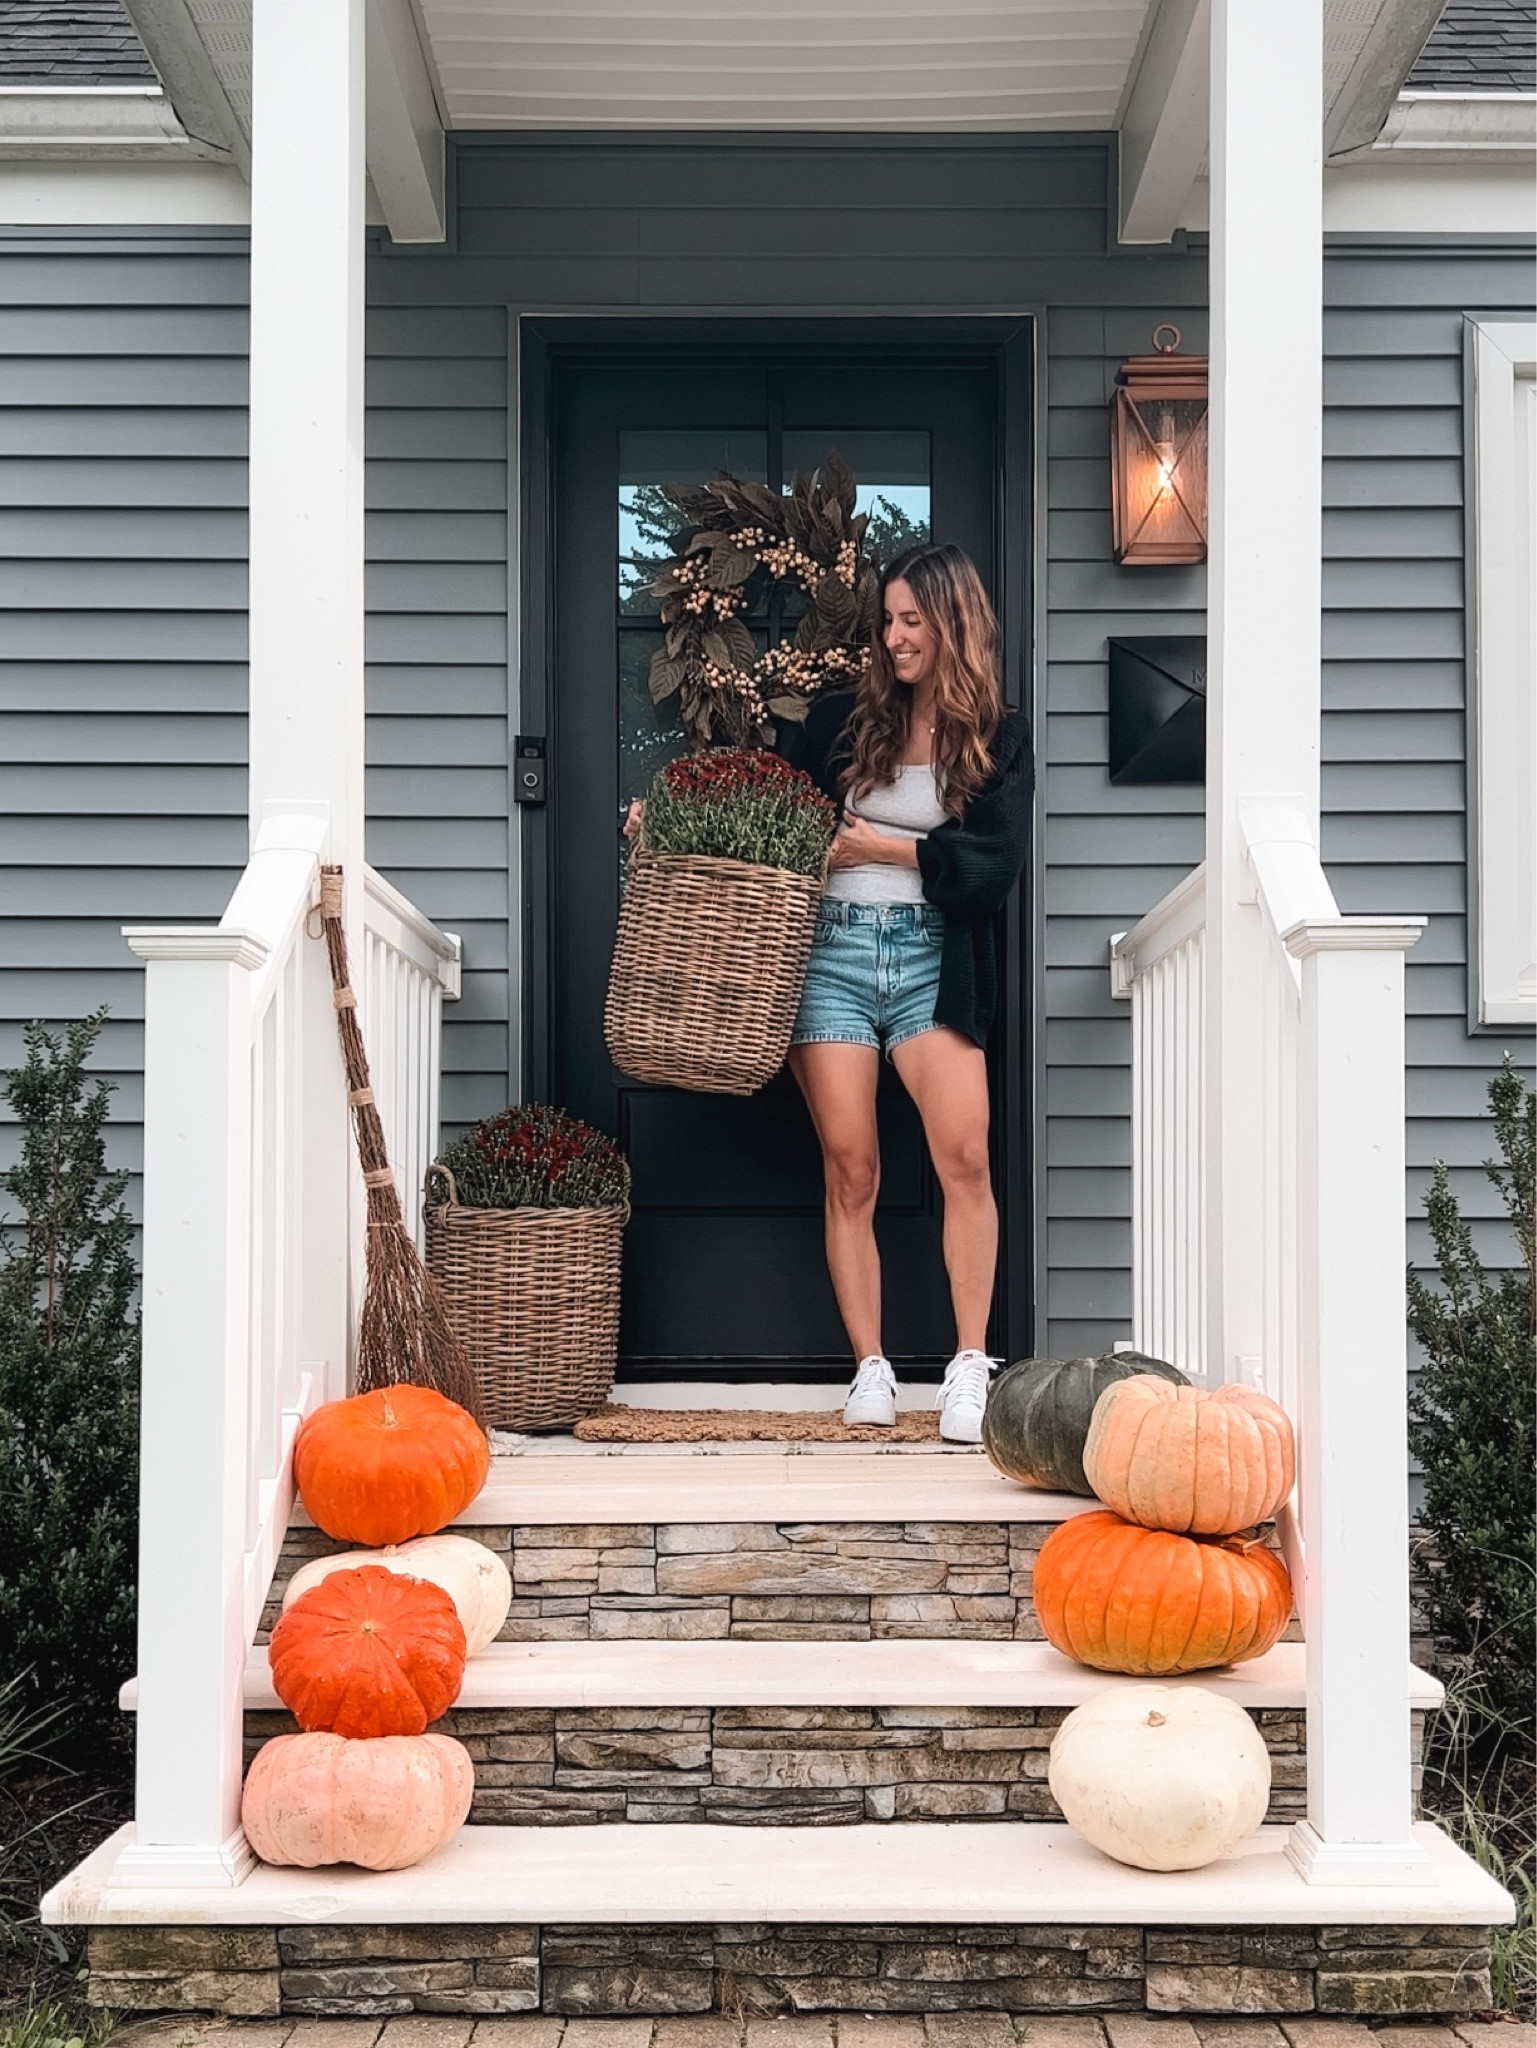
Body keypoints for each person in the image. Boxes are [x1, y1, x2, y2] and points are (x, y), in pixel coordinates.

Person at [780, 541, 1032, 1441]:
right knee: (852, 1169)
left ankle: (968, 1366)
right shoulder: (844, 721)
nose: (893, 637)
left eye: (911, 621)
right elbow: (785, 818)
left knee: (963, 1158)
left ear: (952, 623)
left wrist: (881, 849)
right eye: (887, 620)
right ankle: (871, 1368)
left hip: (935, 963)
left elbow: (990, 869)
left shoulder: (996, 732)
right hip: (834, 957)